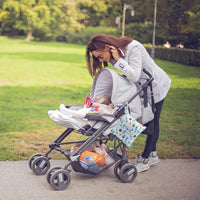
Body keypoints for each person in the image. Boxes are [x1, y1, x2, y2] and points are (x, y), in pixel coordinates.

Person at [86, 34, 171, 172]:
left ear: (108, 47)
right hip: (141, 87)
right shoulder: (115, 58)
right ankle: (153, 153)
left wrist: (119, 60)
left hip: (156, 87)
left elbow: (134, 75)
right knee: (144, 120)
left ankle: (146, 158)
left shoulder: (134, 48)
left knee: (152, 121)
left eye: (100, 56)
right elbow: (127, 79)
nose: (100, 60)